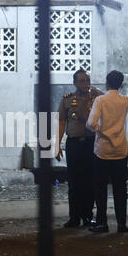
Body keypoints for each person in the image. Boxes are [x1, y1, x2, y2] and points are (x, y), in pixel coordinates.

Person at [56, 69, 103, 228]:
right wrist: (57, 145)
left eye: (87, 80)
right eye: (82, 81)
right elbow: (62, 122)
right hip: (74, 144)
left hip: (91, 143)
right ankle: (74, 217)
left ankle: (88, 216)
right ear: (75, 83)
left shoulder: (97, 98)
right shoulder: (67, 100)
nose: (86, 84)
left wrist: (100, 93)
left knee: (90, 181)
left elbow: (110, 106)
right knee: (74, 182)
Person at [86, 70, 128, 233]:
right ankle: (121, 223)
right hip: (120, 149)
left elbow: (91, 123)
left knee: (101, 189)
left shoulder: (100, 100)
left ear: (106, 82)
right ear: (121, 83)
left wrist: (101, 131)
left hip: (103, 150)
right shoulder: (126, 100)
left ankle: (102, 222)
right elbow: (113, 98)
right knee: (120, 189)